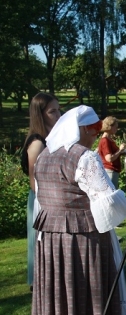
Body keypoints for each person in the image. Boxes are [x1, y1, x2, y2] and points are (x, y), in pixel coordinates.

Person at [31, 105, 126, 315]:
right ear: (80, 129)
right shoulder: (83, 157)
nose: (95, 136)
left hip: (49, 237)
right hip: (81, 238)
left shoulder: (45, 154)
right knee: (82, 293)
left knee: (56, 294)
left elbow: (40, 196)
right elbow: (105, 196)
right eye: (93, 131)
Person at [20, 92, 61, 290]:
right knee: (38, 242)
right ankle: (38, 282)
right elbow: (33, 179)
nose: (58, 115)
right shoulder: (37, 142)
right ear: (40, 114)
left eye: (59, 110)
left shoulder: (51, 138)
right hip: (41, 200)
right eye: (53, 111)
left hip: (50, 198)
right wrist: (47, 204)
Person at [97, 116, 126, 189]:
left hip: (111, 170)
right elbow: (109, 158)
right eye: (115, 127)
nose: (117, 129)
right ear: (109, 127)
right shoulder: (105, 141)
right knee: (112, 193)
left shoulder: (109, 139)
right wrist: (120, 150)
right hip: (110, 171)